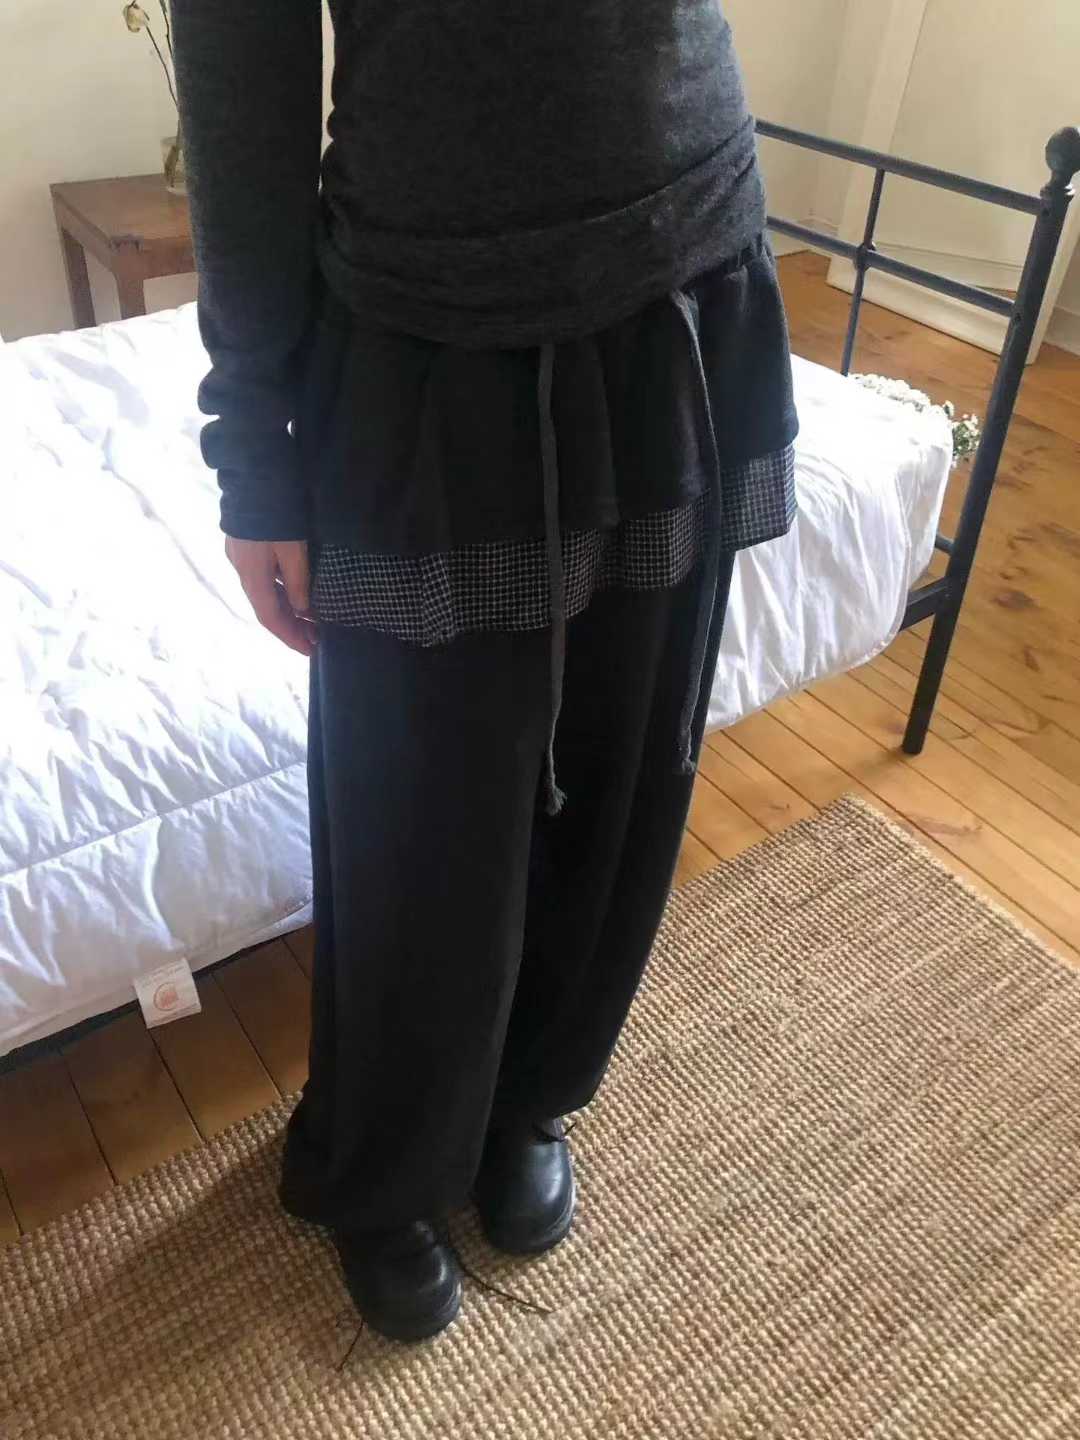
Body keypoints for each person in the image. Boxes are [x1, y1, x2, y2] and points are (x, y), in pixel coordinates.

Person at [171, 0, 798, 1344]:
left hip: (685, 264)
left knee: (631, 760)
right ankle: (389, 1160)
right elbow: (239, 83)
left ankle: (534, 1091)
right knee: (418, 812)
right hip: (425, 326)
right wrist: (255, 448)